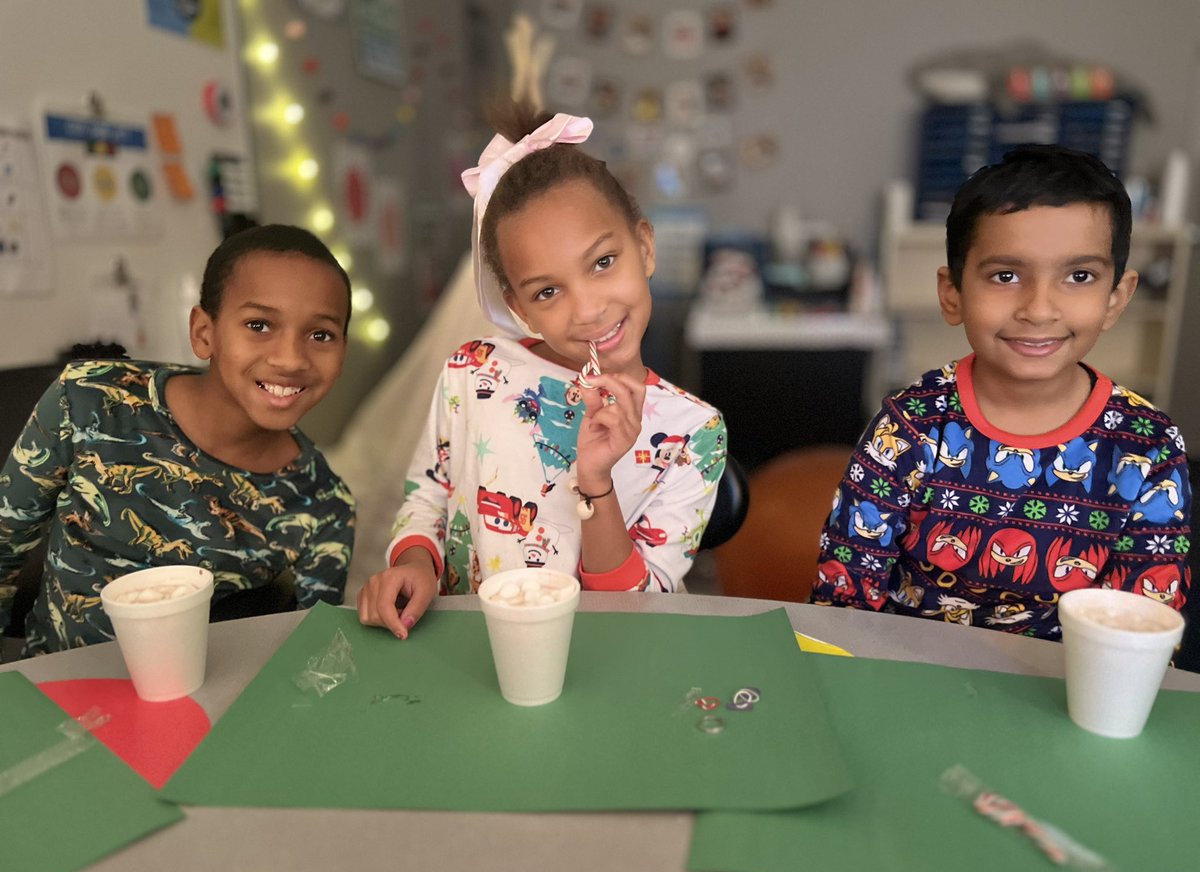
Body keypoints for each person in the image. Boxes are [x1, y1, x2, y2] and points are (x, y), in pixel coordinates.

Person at [357, 102, 727, 639]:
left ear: (644, 247)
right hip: (473, 649)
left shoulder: (695, 433)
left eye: (603, 263)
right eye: (548, 291)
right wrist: (415, 563)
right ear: (519, 308)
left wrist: (595, 483)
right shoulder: (472, 370)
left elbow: (639, 612)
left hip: (603, 659)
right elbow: (429, 495)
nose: (588, 310)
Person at [812, 145, 1190, 639]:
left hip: (1065, 694)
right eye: (1005, 276)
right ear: (953, 293)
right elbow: (842, 599)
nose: (1039, 309)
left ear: (1116, 299)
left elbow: (1143, 630)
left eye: (1079, 277)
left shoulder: (1147, 446)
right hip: (907, 679)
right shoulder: (910, 425)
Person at [0, 224, 356, 654]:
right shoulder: (89, 398)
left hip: (201, 706)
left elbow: (314, 659)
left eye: (320, 335)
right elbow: (3, 544)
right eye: (259, 324)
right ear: (204, 333)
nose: (290, 359)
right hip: (51, 690)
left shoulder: (324, 507)